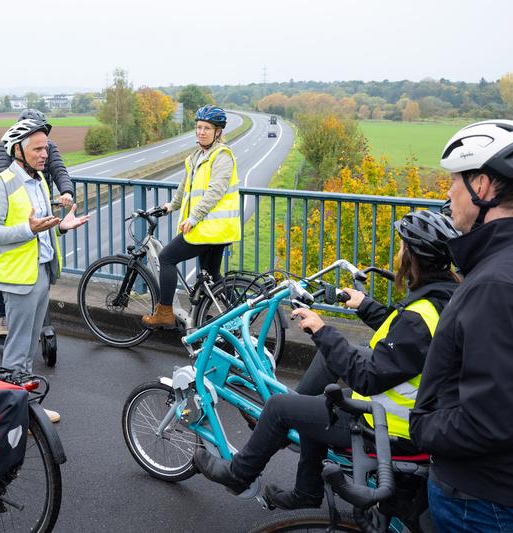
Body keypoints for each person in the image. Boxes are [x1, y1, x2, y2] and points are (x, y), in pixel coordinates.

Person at [193, 210, 459, 511]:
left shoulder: (419, 317)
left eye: (401, 248)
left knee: (280, 407)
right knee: (318, 399)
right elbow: (403, 335)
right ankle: (305, 487)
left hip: (390, 427)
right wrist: (365, 305)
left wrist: (321, 330)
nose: (398, 254)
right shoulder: (444, 298)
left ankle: (238, 473)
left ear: (412, 256)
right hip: (404, 413)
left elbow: (368, 376)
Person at [409, 120, 513, 532]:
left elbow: (489, 422)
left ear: (483, 187)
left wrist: (424, 427)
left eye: (456, 181)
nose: (449, 194)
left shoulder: (499, 285)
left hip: (480, 495)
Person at [0, 118, 89, 422]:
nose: (45, 154)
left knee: (28, 350)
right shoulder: (1, 184)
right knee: (18, 350)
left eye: (46, 148)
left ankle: (24, 408)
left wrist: (61, 227)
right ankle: (13, 417)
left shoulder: (40, 181)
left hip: (40, 271)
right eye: (38, 149)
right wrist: (27, 230)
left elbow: (41, 227)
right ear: (18, 150)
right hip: (18, 277)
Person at [142, 104, 241, 328]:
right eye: (198, 127)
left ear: (218, 132)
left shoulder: (222, 155)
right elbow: (185, 188)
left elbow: (215, 190)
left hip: (209, 229)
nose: (201, 132)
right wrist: (170, 206)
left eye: (207, 128)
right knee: (212, 276)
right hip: (213, 229)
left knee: (166, 258)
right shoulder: (196, 157)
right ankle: (237, 315)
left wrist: (194, 217)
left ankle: (165, 313)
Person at [0, 108, 75, 335]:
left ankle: (37, 318)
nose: (42, 151)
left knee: (43, 262)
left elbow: (58, 169)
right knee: (11, 265)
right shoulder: (6, 146)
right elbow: (3, 172)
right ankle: (4, 315)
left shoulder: (48, 145)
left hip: (41, 203)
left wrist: (66, 191)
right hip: (17, 208)